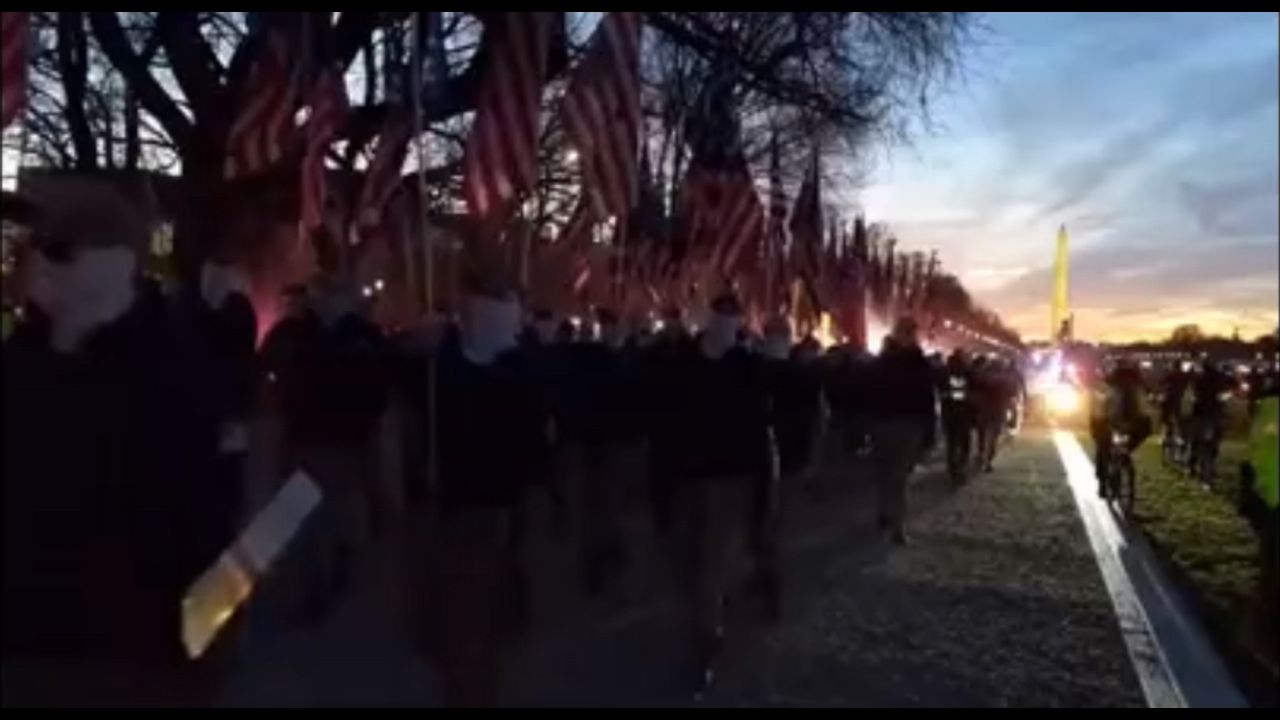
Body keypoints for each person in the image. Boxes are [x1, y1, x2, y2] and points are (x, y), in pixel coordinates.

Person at [2, 179, 221, 706]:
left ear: (114, 262)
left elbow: (211, 519)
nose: (36, 264)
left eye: (58, 248)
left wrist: (199, 656)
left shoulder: (174, 371)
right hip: (23, 649)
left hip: (131, 662)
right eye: (34, 246)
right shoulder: (20, 362)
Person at [407, 272, 548, 707]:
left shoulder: (495, 378)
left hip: (479, 510)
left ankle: (472, 692)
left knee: (469, 620)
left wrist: (446, 339)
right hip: (475, 506)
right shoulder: (505, 372)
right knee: (468, 617)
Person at [657, 293, 774, 693]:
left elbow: (758, 432)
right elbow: (663, 425)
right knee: (684, 562)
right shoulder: (679, 363)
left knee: (710, 564)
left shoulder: (748, 368)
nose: (726, 321)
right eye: (720, 314)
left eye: (732, 316)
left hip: (729, 481)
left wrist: (760, 491)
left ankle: (705, 639)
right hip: (684, 479)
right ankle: (706, 618)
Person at [757, 315, 823, 621]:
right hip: (772, 460)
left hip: (777, 460)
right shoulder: (798, 372)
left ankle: (769, 579)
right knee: (775, 525)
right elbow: (815, 420)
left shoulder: (753, 368)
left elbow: (814, 418)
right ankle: (769, 578)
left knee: (770, 525)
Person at [868, 317, 937, 545]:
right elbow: (928, 399)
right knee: (899, 477)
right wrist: (929, 430)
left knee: (887, 474)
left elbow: (868, 393)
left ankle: (885, 513)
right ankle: (896, 525)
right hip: (907, 424)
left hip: (884, 423)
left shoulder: (881, 361)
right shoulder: (919, 363)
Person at [1238, 374, 1277, 657]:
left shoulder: (1268, 409)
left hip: (1271, 498)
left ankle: (1264, 639)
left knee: (1270, 569)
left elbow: (1253, 455)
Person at [1092, 359, 1151, 496]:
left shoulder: (1110, 384)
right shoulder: (1136, 383)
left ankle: (1103, 481)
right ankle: (1122, 458)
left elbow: (1100, 407)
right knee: (1112, 447)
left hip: (1112, 421)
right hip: (1130, 423)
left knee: (1103, 449)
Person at [1187, 360, 1231, 484]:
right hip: (1214, 414)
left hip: (1200, 414)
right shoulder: (1219, 380)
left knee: (1197, 441)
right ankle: (1208, 468)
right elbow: (1224, 395)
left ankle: (1193, 466)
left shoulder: (1198, 380)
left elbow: (1193, 396)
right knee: (1213, 443)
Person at [941, 349, 977, 484]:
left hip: (949, 413)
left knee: (952, 444)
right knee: (963, 444)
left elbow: (944, 392)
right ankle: (959, 470)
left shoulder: (945, 372)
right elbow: (971, 392)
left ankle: (954, 470)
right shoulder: (967, 372)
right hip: (962, 414)